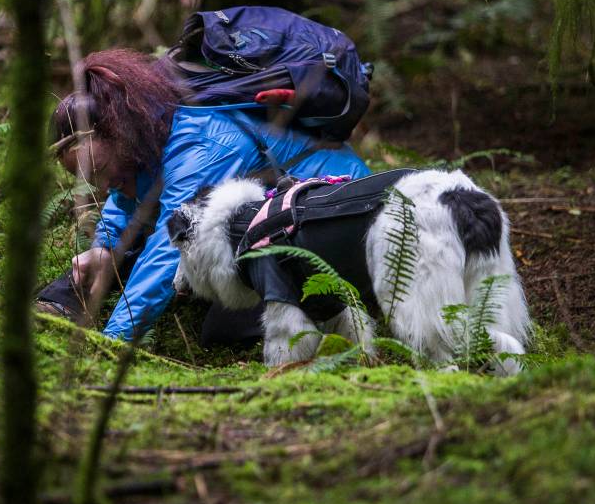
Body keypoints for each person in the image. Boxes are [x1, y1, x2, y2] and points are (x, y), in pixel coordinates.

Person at [36, 48, 371, 343]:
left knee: (223, 327)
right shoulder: (149, 135)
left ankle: (330, 311)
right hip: (268, 220)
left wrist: (113, 341)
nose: (103, 186)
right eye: (89, 179)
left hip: (336, 214)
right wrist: (105, 248)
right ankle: (58, 306)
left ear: (120, 137)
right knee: (130, 250)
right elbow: (127, 194)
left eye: (101, 170)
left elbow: (167, 250)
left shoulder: (201, 147)